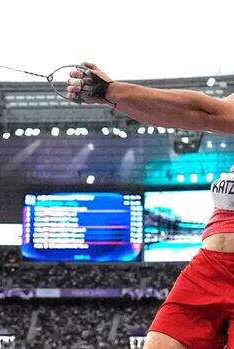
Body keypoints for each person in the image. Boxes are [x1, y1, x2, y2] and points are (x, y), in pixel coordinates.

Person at [66, 63, 234, 349]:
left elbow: (207, 113)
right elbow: (193, 115)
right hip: (210, 267)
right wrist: (110, 94)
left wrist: (113, 91)